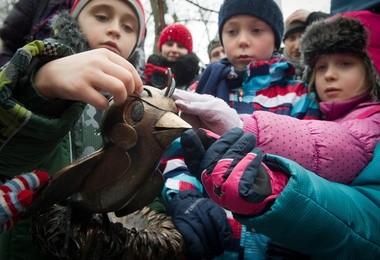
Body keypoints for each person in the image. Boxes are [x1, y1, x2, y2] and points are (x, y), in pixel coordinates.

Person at [175, 13, 380, 260]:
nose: (330, 75)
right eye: (322, 66)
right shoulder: (207, 83)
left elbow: (326, 147)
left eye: (345, 64)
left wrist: (241, 127)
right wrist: (184, 197)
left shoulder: (360, 115)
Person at [160, 0, 321, 258]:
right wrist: (186, 199)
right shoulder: (199, 92)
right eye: (232, 31)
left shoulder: (298, 96)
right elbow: (176, 152)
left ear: (276, 36)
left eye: (256, 31)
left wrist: (285, 223)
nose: (243, 41)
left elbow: (313, 169)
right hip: (215, 242)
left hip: (278, 243)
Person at [0, 0, 145, 258]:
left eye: (128, 26)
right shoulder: (42, 78)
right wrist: (41, 82)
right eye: (101, 16)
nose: (115, 30)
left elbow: (142, 175)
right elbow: (8, 152)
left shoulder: (137, 105)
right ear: (72, 20)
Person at [144, 23, 201, 90]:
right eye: (169, 44)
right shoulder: (143, 71)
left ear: (188, 51)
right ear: (161, 48)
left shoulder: (199, 81)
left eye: (180, 46)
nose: (174, 50)